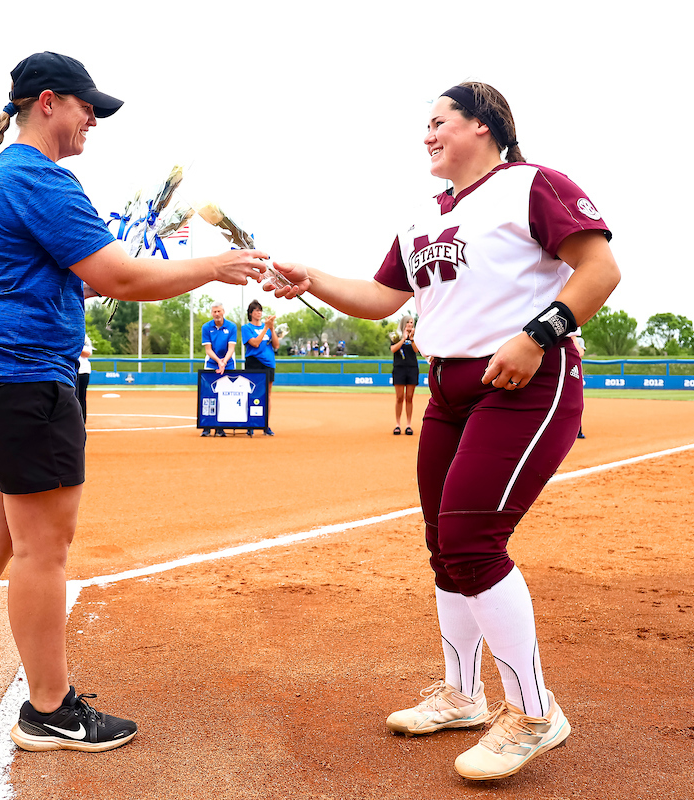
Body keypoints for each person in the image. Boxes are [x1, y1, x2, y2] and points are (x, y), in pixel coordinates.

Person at [0, 51, 267, 754]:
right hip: (22, 381)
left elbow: (76, 278)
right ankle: (51, 711)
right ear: (49, 101)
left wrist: (121, 265)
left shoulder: (10, 174)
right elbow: (120, 278)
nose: (94, 120)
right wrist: (216, 266)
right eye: (88, 107)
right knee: (42, 551)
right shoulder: (41, 177)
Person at [265, 81, 620, 781]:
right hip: (448, 388)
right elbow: (381, 298)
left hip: (523, 381)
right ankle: (463, 694)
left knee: (472, 539)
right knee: (444, 546)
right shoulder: (424, 216)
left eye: (438, 121)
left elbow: (601, 268)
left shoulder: (532, 185)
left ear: (482, 125)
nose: (426, 134)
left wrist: (537, 335)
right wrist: (313, 279)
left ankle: (534, 712)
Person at [241, 299, 281, 436]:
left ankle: (265, 424)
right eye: (256, 310)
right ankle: (250, 423)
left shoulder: (268, 328)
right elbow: (255, 343)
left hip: (268, 363)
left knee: (267, 394)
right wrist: (265, 328)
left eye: (260, 310)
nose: (259, 313)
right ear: (251, 313)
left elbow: (276, 345)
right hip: (253, 362)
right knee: (251, 392)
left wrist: (272, 328)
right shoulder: (247, 328)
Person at [200, 301, 237, 437]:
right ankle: (206, 426)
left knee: (225, 395)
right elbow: (208, 349)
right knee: (208, 394)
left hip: (228, 363)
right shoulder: (206, 327)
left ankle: (220, 427)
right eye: (214, 311)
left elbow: (231, 348)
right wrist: (218, 361)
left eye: (219, 311)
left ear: (223, 312)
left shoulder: (231, 326)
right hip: (211, 363)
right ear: (211, 313)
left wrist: (224, 362)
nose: (217, 314)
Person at [391, 315, 420, 435]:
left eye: (412, 322)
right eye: (408, 322)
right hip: (399, 368)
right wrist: (403, 339)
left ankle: (408, 425)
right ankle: (398, 424)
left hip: (412, 368)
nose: (410, 324)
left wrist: (411, 339)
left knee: (409, 397)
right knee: (399, 397)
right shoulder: (396, 335)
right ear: (403, 323)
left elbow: (417, 350)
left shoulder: (416, 335)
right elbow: (393, 349)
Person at [77, 333, 93, 422]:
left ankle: (82, 420)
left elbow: (87, 353)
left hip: (83, 371)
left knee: (81, 396)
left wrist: (75, 348)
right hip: (71, 370)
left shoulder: (85, 338)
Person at [573, 335, 587, 439]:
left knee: (576, 404)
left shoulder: (578, 340)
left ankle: (578, 430)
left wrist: (573, 338)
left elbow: (580, 353)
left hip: (574, 374)